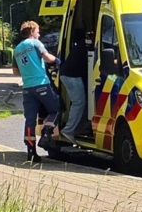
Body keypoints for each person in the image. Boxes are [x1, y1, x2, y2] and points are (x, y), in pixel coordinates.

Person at [13, 21, 61, 160]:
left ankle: (31, 152)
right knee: (56, 109)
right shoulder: (35, 43)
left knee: (30, 120)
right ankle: (46, 133)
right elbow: (47, 58)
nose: (39, 34)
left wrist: (28, 71)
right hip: (41, 84)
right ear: (32, 31)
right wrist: (57, 60)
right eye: (38, 31)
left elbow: (16, 72)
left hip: (27, 88)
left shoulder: (17, 49)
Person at [60, 29, 92, 143]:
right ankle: (68, 130)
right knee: (79, 103)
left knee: (82, 102)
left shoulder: (82, 44)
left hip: (69, 74)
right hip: (72, 76)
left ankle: (81, 128)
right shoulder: (88, 45)